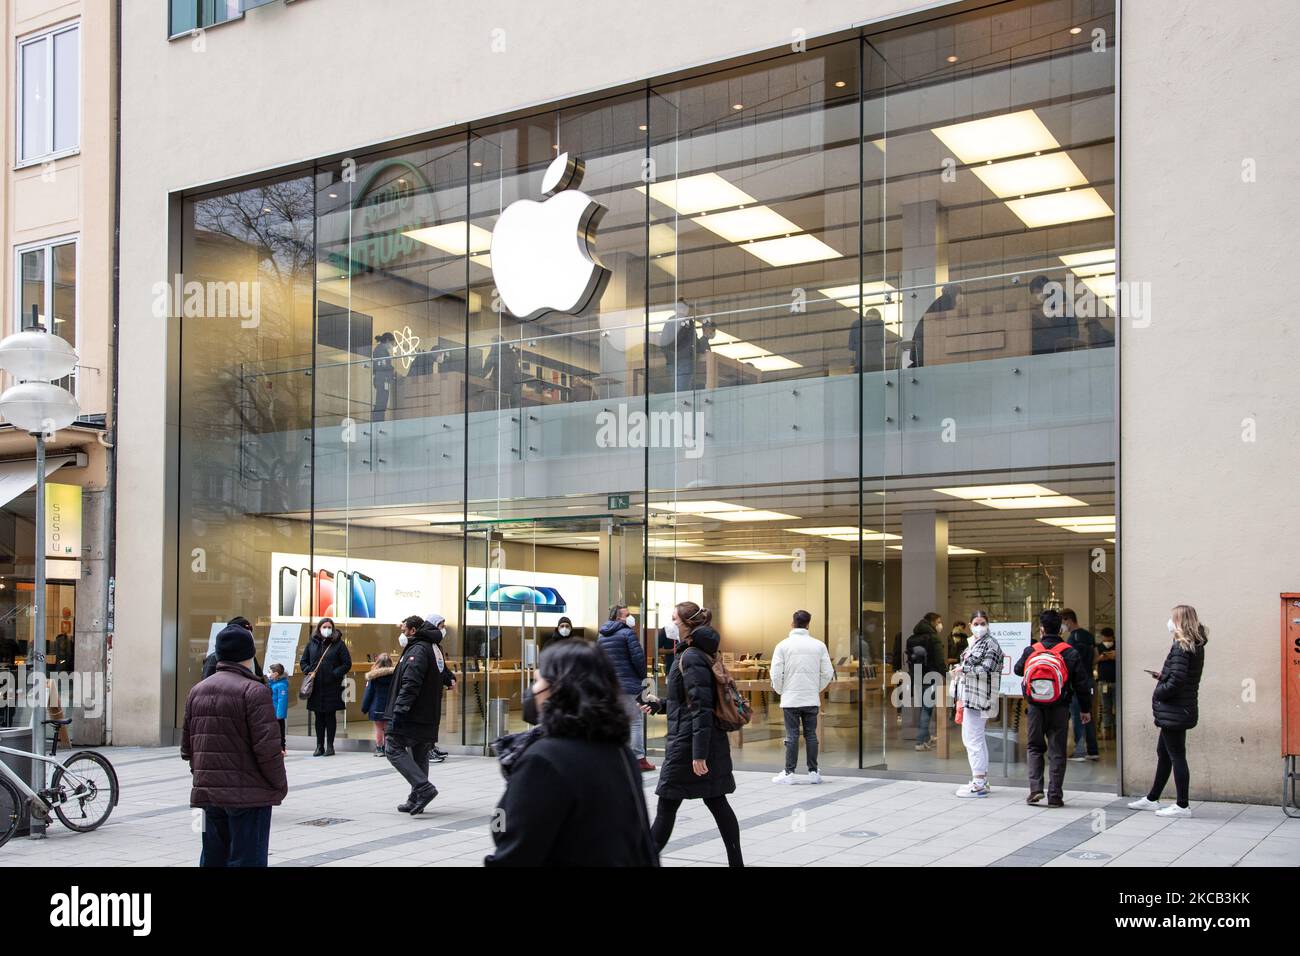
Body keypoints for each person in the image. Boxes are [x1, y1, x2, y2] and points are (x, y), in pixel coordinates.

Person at [484, 640, 659, 866]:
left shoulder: (544, 760)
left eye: (538, 681)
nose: (533, 690)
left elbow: (515, 849)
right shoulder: (617, 751)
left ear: (558, 688)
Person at [640, 602, 743, 867]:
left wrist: (698, 754)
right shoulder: (694, 653)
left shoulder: (691, 656)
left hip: (689, 744)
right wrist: (658, 705)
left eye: (674, 619)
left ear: (688, 625)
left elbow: (702, 708)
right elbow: (687, 702)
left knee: (667, 804)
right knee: (715, 800)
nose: (670, 623)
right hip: (698, 741)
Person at [181, 623, 287, 867]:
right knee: (247, 859)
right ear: (250, 655)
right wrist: (279, 786)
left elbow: (187, 748)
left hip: (206, 795)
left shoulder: (197, 691)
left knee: (211, 858)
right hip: (248, 797)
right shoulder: (254, 691)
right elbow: (267, 750)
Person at [1128, 606, 1207, 818]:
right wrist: (1163, 677)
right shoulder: (1193, 645)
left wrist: (1160, 692)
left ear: (1180, 621)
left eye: (1172, 618)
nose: (1169, 622)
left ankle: (1182, 806)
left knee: (1177, 756)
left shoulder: (1182, 646)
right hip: (1180, 708)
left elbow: (1179, 681)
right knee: (1164, 754)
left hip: (1175, 709)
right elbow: (1181, 676)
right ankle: (1152, 798)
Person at [1013, 609, 1092, 807]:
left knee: (1034, 747)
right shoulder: (1069, 651)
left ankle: (1035, 790)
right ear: (1060, 629)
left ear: (1041, 628)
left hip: (1035, 708)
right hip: (1060, 708)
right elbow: (1082, 684)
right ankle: (1055, 795)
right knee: (1057, 750)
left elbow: (1017, 670)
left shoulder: (1032, 649)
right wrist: (1085, 709)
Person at [383, 615, 455, 814]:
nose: (402, 633)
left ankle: (423, 788)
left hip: (413, 713)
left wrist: (399, 710)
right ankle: (416, 797)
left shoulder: (418, 649)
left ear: (414, 630)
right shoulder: (433, 647)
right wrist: (449, 679)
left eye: (404, 629)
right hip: (427, 712)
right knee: (420, 752)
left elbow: (411, 683)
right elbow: (441, 672)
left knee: (392, 747)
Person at [769, 609, 834, 784]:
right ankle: (813, 772)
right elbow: (828, 672)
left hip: (790, 698)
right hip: (811, 698)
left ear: (792, 623)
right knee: (811, 735)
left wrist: (781, 690)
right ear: (808, 624)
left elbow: (775, 674)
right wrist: (815, 688)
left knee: (791, 735)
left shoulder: (782, 645)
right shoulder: (819, 645)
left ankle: (789, 773)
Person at [952, 610, 1004, 797]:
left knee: (973, 739)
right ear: (970, 624)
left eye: (982, 623)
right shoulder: (974, 643)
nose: (979, 626)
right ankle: (981, 779)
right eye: (976, 623)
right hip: (970, 696)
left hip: (980, 697)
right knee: (975, 739)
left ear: (987, 624)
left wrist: (963, 669)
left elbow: (987, 669)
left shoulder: (990, 643)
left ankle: (979, 783)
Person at [598, 603, 653, 771]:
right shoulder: (628, 633)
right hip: (629, 685)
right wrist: (643, 677)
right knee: (635, 722)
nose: (630, 617)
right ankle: (638, 759)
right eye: (626, 614)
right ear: (617, 617)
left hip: (611, 686)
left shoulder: (601, 636)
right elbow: (638, 659)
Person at [298, 617, 351, 756]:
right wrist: (308, 670)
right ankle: (319, 745)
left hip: (332, 686)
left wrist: (335, 673)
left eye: (329, 627)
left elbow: (346, 663)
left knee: (330, 716)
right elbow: (303, 661)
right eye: (324, 626)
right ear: (319, 628)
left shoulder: (339, 644)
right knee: (318, 717)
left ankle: (330, 746)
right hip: (316, 687)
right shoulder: (312, 643)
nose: (327, 629)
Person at [1063, 608, 1100, 762]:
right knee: (1088, 715)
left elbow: (1070, 663)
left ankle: (1079, 752)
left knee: (1078, 716)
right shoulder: (1089, 636)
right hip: (1090, 680)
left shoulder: (1072, 639)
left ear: (1068, 620)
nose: (1062, 626)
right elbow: (1097, 657)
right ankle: (1092, 750)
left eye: (1062, 622)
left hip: (1078, 683)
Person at [906, 612, 946, 751]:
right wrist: (945, 674)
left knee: (923, 706)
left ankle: (927, 737)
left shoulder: (912, 638)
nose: (941, 624)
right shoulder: (933, 638)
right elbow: (939, 660)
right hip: (931, 675)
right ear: (933, 622)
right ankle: (919, 742)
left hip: (916, 676)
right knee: (927, 709)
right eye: (939, 621)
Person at [911, 283, 961, 368]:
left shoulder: (941, 301)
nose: (962, 297)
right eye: (960, 293)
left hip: (922, 341)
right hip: (926, 342)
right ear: (955, 293)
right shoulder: (946, 300)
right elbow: (946, 323)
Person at [203, 616, 264, 681]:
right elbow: (207, 683)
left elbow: (259, 678)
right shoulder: (214, 658)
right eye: (245, 632)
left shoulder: (250, 656)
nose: (250, 636)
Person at [362, 653, 396, 756]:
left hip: (376, 707)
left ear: (377, 663)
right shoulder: (395, 676)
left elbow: (369, 694)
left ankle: (379, 748)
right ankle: (387, 748)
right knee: (387, 728)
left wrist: (364, 707)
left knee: (378, 729)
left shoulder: (373, 677)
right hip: (390, 707)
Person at [1096, 627, 1118, 735]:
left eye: (1108, 637)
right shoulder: (1098, 647)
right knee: (1105, 707)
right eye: (1104, 637)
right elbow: (1095, 660)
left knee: (1117, 707)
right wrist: (1102, 657)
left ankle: (1117, 729)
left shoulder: (1118, 645)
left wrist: (1114, 656)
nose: (1106, 640)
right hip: (1103, 681)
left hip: (1116, 681)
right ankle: (1107, 729)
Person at [371, 331, 395, 422]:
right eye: (392, 343)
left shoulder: (379, 349)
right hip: (382, 379)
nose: (392, 346)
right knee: (381, 401)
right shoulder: (381, 350)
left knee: (381, 401)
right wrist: (392, 370)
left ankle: (378, 420)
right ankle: (378, 420)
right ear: (388, 340)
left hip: (380, 378)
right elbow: (383, 365)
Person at [266, 663, 289, 753]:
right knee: (274, 732)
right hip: (272, 712)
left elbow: (282, 701)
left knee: (280, 732)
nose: (268, 673)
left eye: (269, 672)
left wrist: (279, 715)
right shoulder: (273, 683)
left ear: (275, 674)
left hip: (277, 714)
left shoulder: (281, 685)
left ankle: (282, 748)